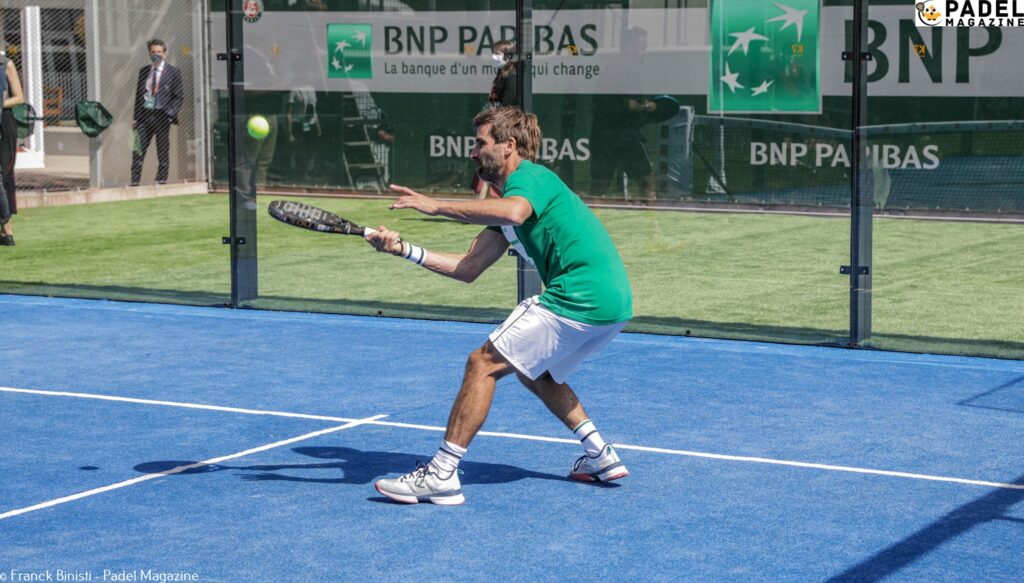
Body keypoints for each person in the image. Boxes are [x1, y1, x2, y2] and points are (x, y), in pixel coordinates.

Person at [368, 106, 633, 505]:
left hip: (580, 294)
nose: (473, 153)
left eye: (481, 143)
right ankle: (600, 455)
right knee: (534, 371)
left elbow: (513, 211)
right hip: (611, 304)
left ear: (508, 146)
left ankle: (441, 473)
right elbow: (468, 267)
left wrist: (436, 205)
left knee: (483, 362)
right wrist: (404, 249)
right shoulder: (509, 201)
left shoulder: (530, 179)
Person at [131, 39, 184, 186]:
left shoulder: (173, 72)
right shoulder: (144, 71)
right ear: (149, 53)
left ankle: (161, 181)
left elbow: (179, 96)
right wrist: (135, 118)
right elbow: (138, 95)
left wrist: (170, 115)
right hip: (144, 116)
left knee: (162, 150)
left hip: (162, 116)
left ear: (164, 54)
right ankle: (134, 182)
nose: (156, 55)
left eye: (159, 52)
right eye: (153, 52)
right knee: (137, 150)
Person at [0, 48, 24, 246]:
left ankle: (7, 228)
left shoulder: (6, 64)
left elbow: (19, 97)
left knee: (4, 175)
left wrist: (0, 103)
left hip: (4, 124)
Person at [487, 40, 518, 107]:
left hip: (507, 116)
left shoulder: (511, 75)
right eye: (494, 53)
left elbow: (509, 105)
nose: (494, 57)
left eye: (497, 54)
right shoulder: (502, 73)